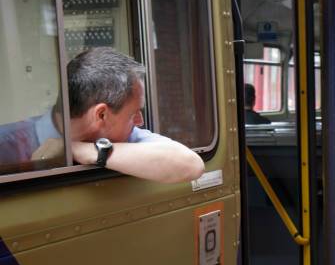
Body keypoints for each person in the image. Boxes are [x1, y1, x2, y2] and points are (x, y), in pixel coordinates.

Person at [0, 48, 204, 183]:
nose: (140, 122)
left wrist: (81, 150)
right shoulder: (6, 145)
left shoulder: (120, 138)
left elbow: (191, 165)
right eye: (133, 113)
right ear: (102, 114)